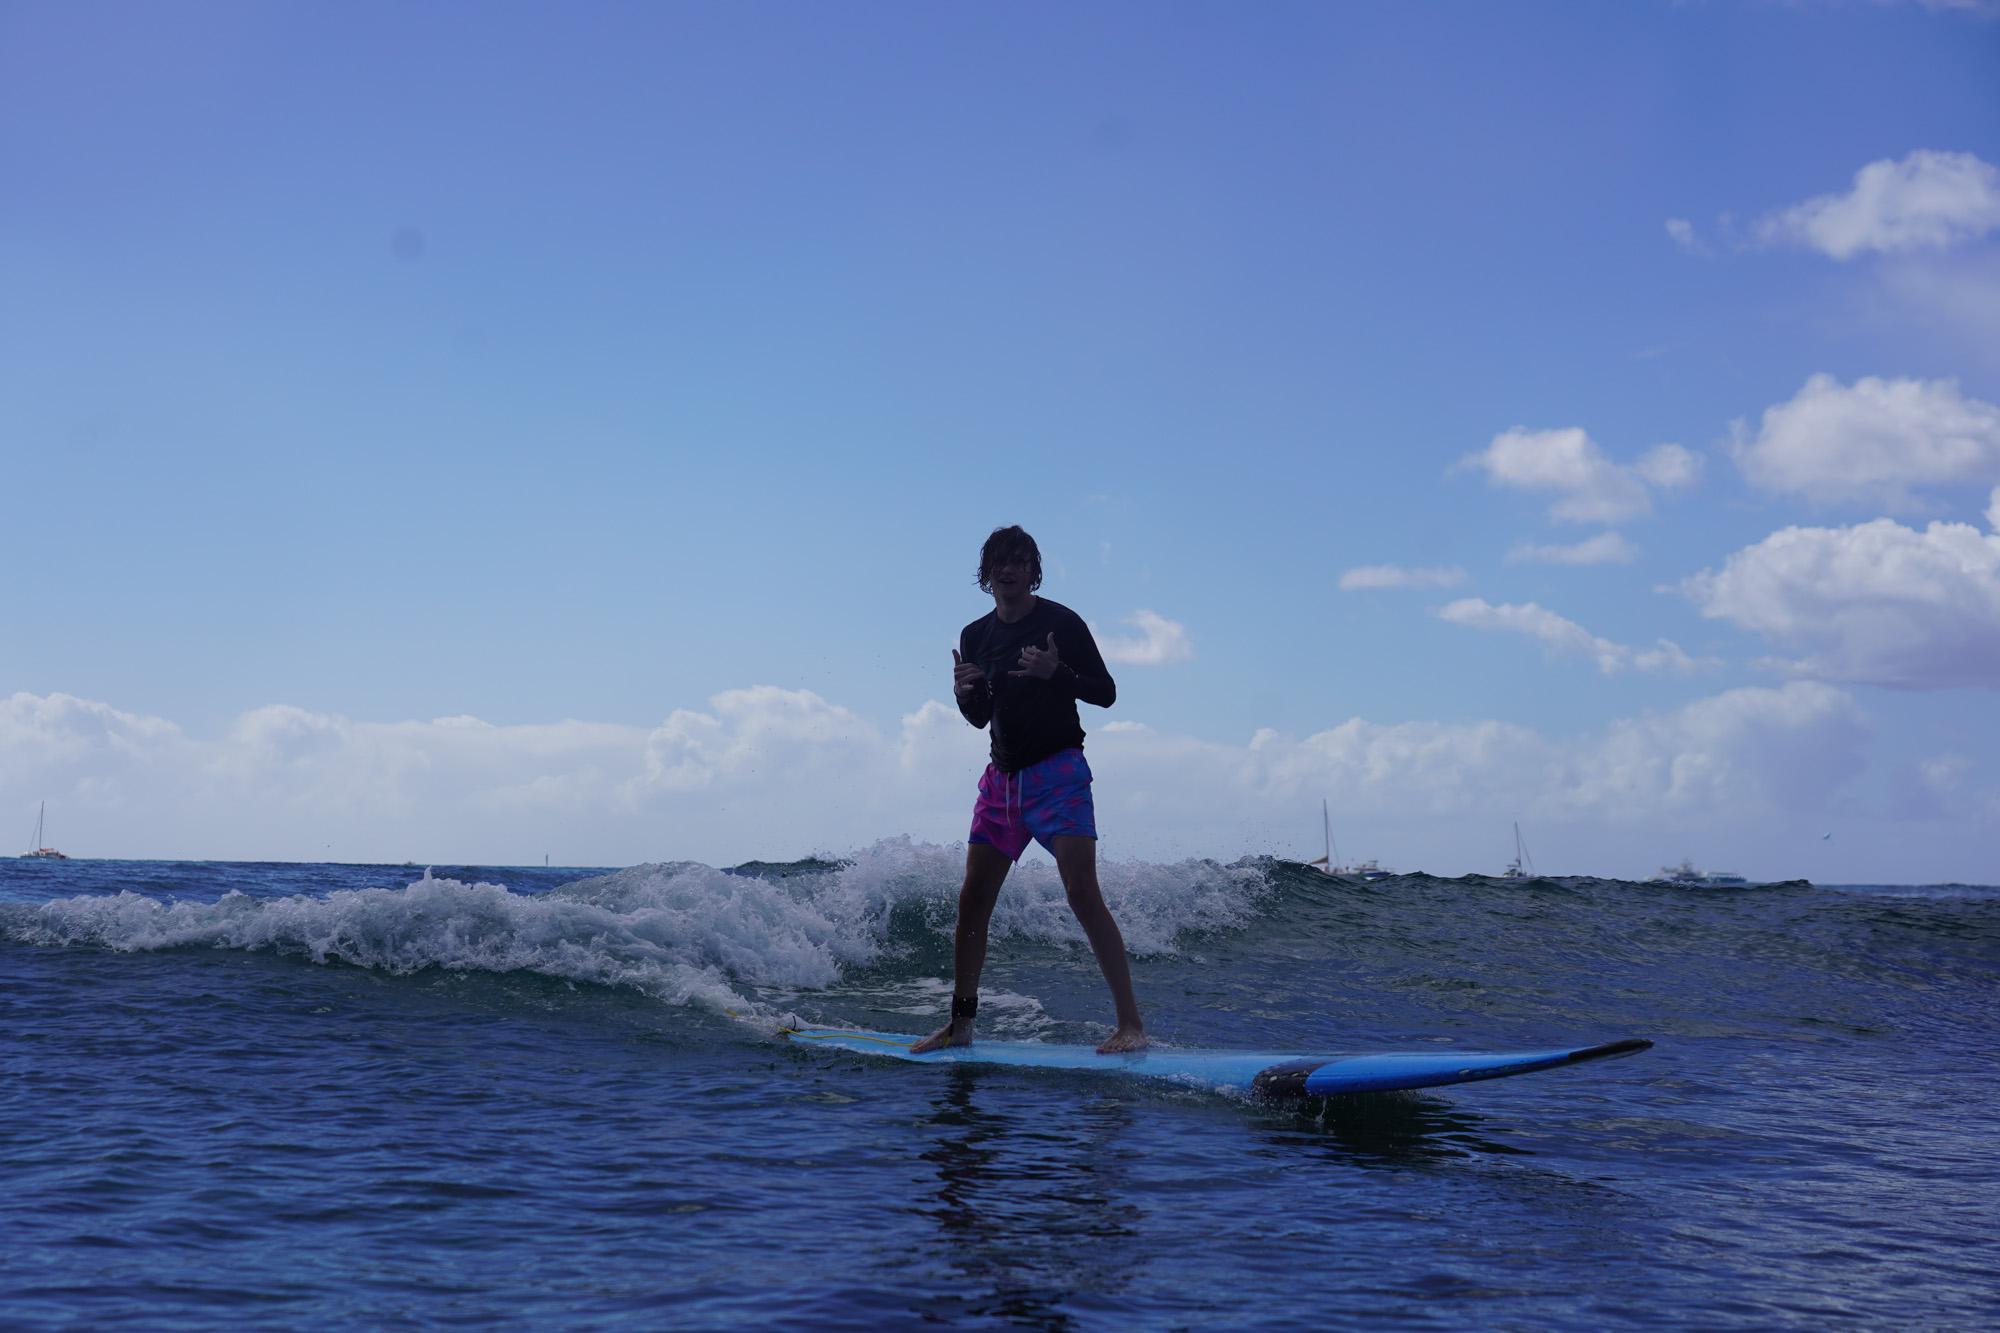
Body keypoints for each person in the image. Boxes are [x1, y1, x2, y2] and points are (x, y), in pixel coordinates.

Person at [911, 526, 1148, 1055]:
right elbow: (979, 718)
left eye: (1018, 560)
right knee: (972, 901)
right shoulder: (975, 635)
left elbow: (1105, 694)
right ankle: (961, 1025)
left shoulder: (1061, 623)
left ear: (1032, 570)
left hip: (1058, 775)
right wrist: (962, 694)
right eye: (998, 561)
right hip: (1002, 782)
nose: (1007, 569)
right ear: (986, 572)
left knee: (1082, 893)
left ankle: (1130, 1024)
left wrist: (1056, 672)